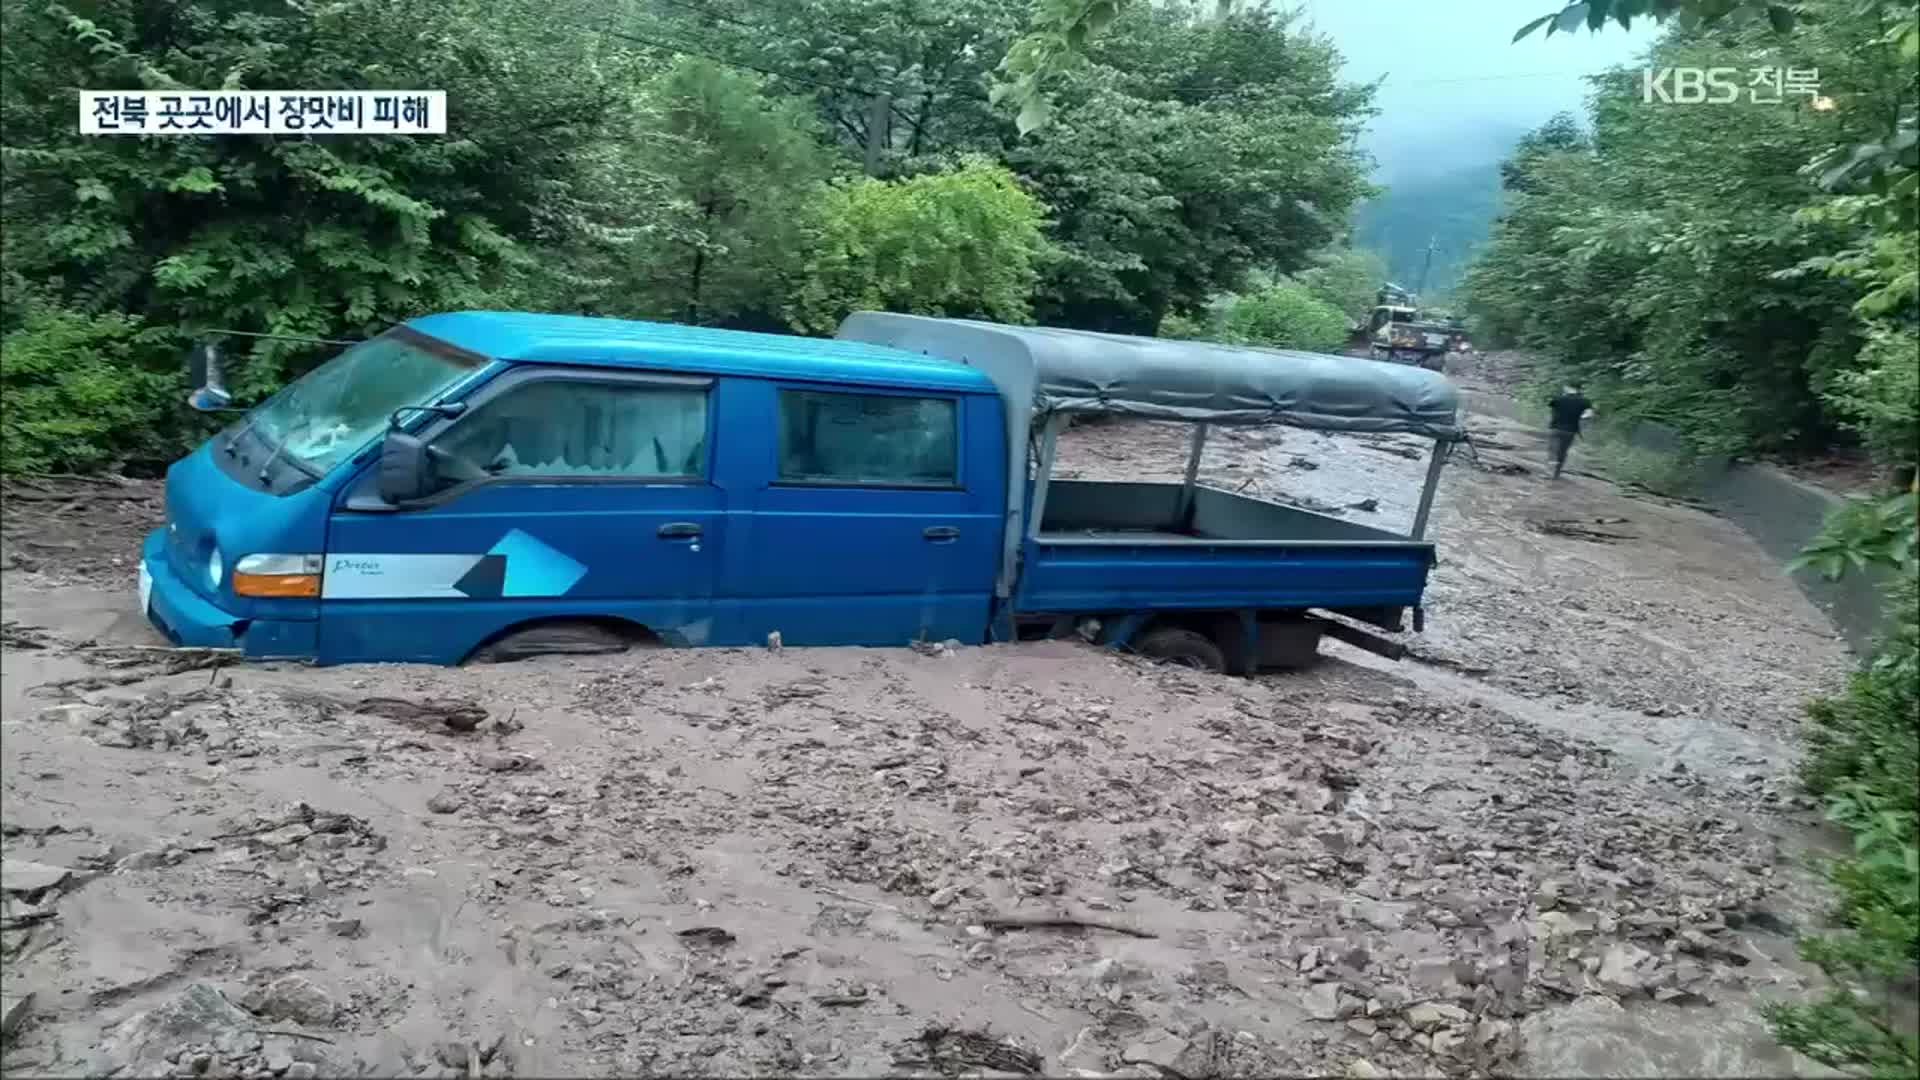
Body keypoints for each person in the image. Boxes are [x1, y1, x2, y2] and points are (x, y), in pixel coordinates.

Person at [1546, 381, 1596, 479]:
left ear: (1567, 387)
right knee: (1563, 452)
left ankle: (1550, 473)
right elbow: (1589, 414)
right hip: (1571, 430)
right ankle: (1556, 473)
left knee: (1553, 451)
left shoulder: (1558, 398)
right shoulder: (1585, 401)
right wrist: (1581, 417)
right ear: (1579, 389)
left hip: (1555, 428)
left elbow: (1552, 408)